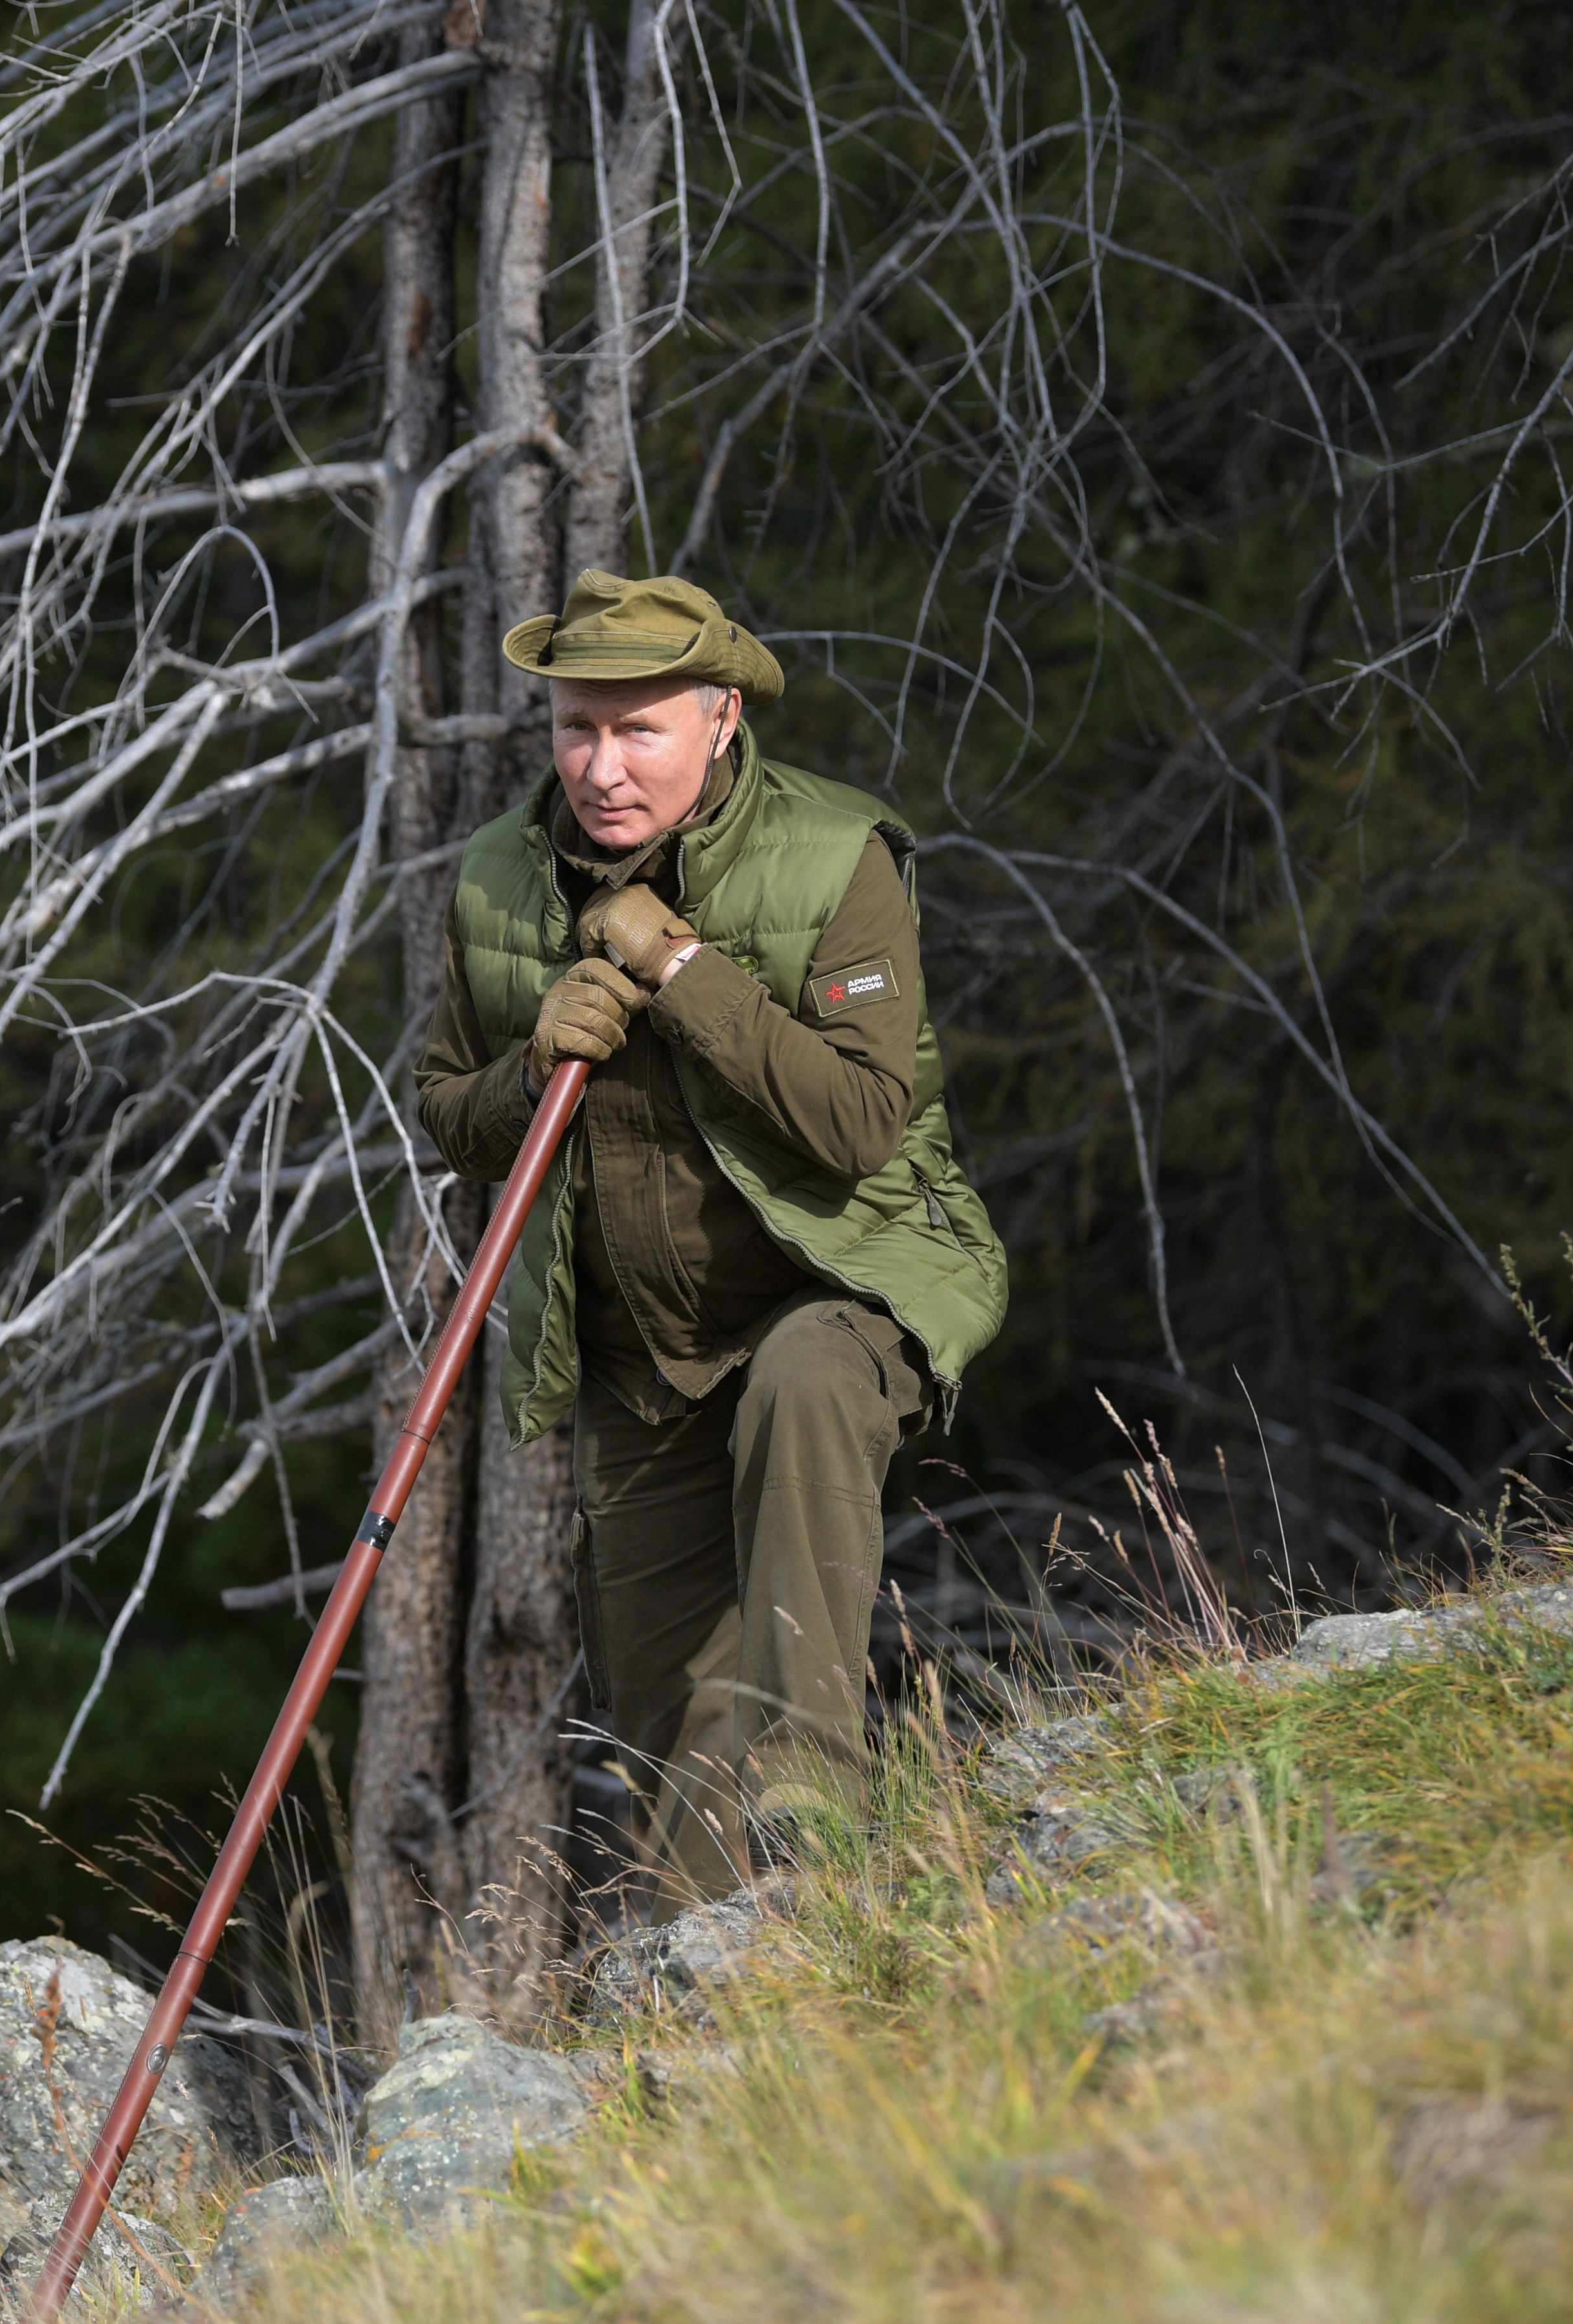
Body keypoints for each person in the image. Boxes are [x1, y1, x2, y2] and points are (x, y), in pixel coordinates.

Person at [414, 569, 1009, 1904]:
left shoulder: (836, 857)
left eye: (640, 731)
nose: (601, 766)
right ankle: (725, 2002)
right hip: (646, 1351)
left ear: (721, 717)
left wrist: (685, 976)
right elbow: (447, 1106)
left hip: (845, 1281)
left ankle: (815, 1806)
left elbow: (860, 1119)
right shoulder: (502, 881)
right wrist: (529, 1065)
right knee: (671, 1733)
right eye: (576, 727)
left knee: (801, 1380)